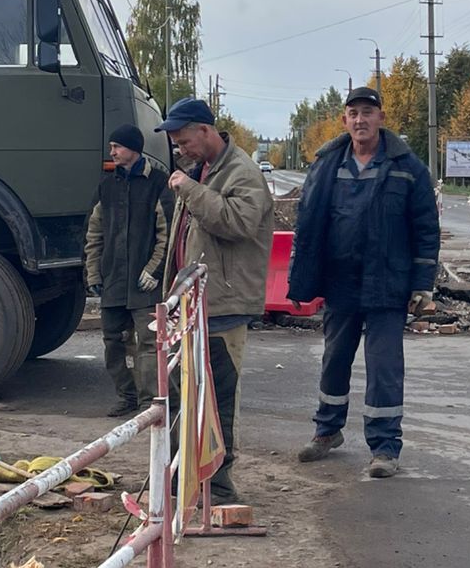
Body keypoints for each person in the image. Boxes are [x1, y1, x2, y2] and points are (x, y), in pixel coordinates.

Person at [288, 86, 439, 478]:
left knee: (384, 367)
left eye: (367, 112)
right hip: (341, 282)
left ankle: (385, 448)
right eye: (353, 113)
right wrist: (302, 276)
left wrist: (423, 284)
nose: (360, 120)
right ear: (345, 121)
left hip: (388, 284)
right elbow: (308, 225)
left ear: (381, 119)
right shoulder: (327, 165)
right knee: (334, 360)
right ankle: (327, 432)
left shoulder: (408, 166)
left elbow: (426, 229)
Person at [155, 97, 274, 505]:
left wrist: (189, 189)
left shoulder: (241, 172)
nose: (180, 149)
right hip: (193, 304)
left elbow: (239, 223)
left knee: (216, 399)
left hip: (223, 306)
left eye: (184, 140)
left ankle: (217, 487)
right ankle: (182, 480)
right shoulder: (204, 169)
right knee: (185, 394)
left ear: (205, 131)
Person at [84, 124, 174, 416]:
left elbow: (168, 233)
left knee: (148, 344)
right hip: (114, 280)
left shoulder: (158, 183)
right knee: (113, 341)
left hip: (143, 283)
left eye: (117, 147)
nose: (112, 152)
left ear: (133, 148)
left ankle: (149, 403)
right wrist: (94, 273)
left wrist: (154, 270)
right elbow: (94, 232)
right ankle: (127, 396)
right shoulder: (107, 185)